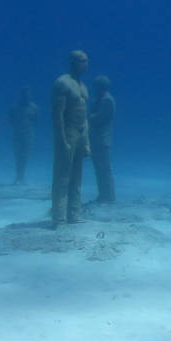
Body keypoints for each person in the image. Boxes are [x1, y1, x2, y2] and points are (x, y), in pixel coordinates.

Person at [50, 50, 91, 224]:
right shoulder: (62, 83)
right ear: (73, 62)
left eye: (87, 60)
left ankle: (74, 214)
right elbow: (57, 116)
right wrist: (62, 140)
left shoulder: (83, 86)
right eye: (82, 60)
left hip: (81, 135)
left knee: (77, 177)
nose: (86, 64)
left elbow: (85, 116)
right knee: (62, 177)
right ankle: (58, 217)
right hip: (68, 134)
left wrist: (87, 142)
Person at [89, 75, 116, 203]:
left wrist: (87, 117)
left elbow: (100, 119)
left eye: (96, 86)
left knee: (104, 169)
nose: (94, 89)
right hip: (96, 139)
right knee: (98, 169)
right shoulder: (98, 100)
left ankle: (109, 197)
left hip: (102, 139)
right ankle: (103, 195)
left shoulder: (107, 100)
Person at [8, 86, 39, 184]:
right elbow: (10, 120)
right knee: (17, 155)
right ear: (21, 95)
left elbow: (37, 121)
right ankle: (18, 176)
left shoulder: (34, 107)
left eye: (28, 94)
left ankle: (22, 176)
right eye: (24, 94)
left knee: (25, 155)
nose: (26, 96)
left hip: (28, 134)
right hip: (17, 134)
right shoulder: (14, 107)